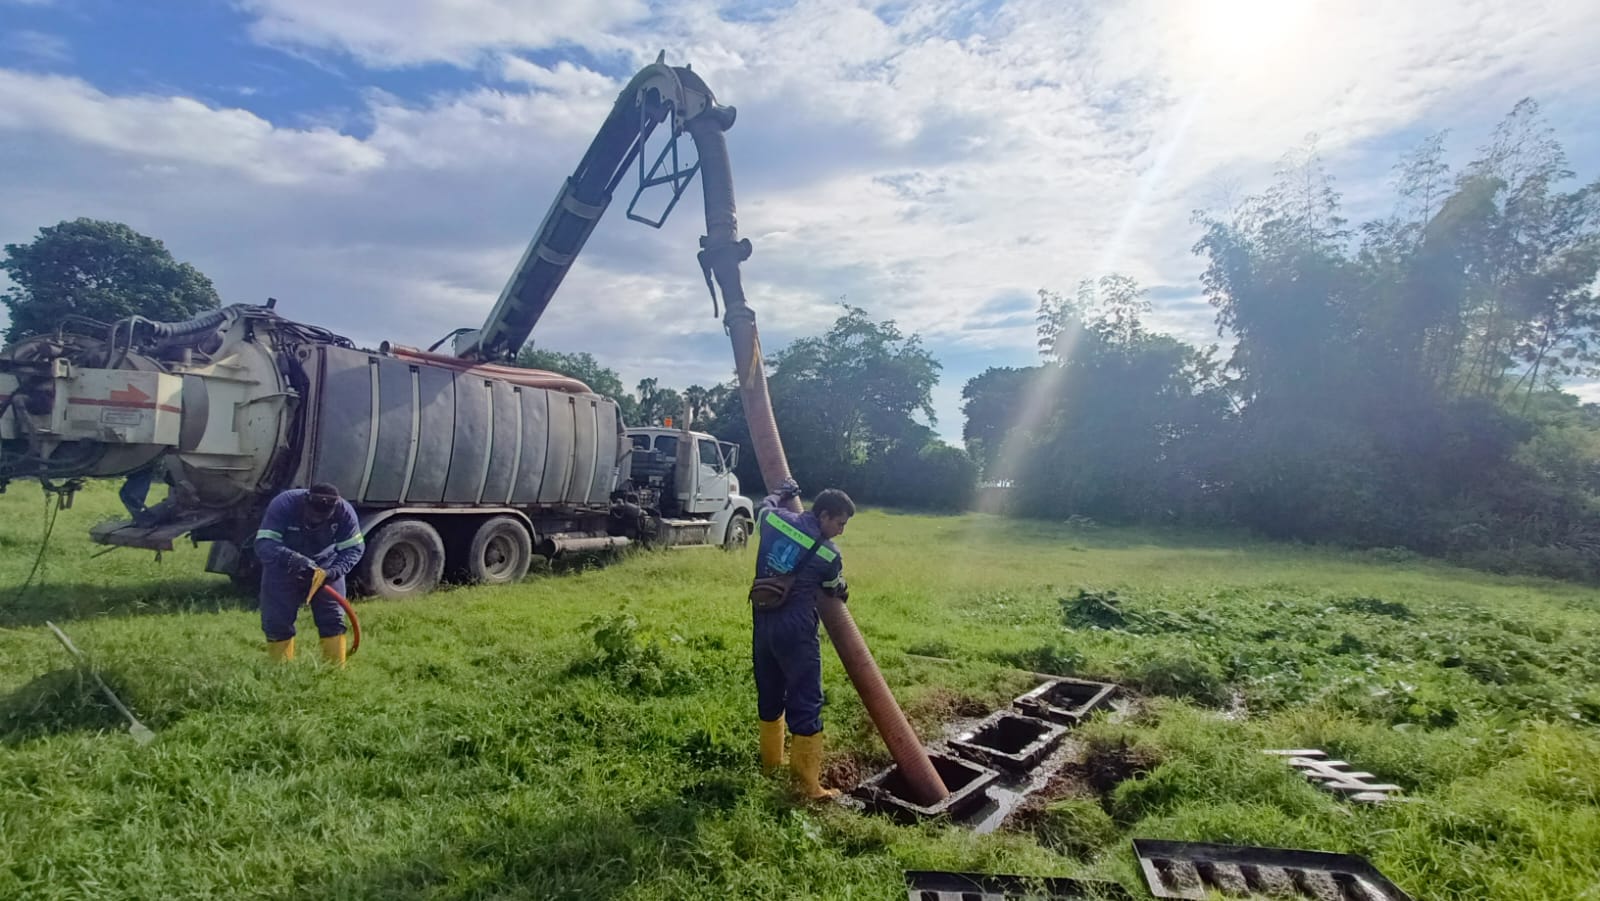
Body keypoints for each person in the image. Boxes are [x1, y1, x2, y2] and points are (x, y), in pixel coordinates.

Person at [750, 478, 855, 800]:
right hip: (796, 633)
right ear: (824, 515)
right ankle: (807, 787)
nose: (841, 530)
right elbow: (835, 587)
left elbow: (762, 509)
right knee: (807, 702)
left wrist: (783, 493)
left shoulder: (776, 520)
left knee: (769, 695)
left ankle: (771, 766)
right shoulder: (828, 554)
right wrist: (842, 589)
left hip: (763, 622)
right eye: (839, 522)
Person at [254, 483, 365, 665]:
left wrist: (333, 572)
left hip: (326, 565)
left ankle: (335, 672)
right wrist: (291, 559)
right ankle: (280, 671)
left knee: (333, 618)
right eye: (313, 516)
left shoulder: (344, 512)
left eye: (322, 517)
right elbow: (264, 543)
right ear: (305, 501)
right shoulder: (284, 504)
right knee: (277, 620)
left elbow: (354, 548)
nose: (316, 521)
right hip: (284, 566)